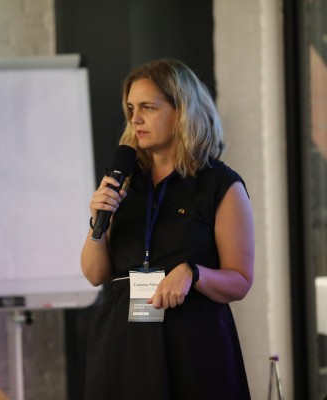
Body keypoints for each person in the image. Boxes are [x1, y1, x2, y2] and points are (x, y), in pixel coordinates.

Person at [81, 59, 254, 399]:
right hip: (123, 344)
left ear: (182, 111)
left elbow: (240, 280)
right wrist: (97, 221)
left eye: (148, 107)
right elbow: (93, 273)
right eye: (131, 108)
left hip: (192, 344)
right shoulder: (123, 181)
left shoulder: (220, 185)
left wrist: (193, 272)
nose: (135, 119)